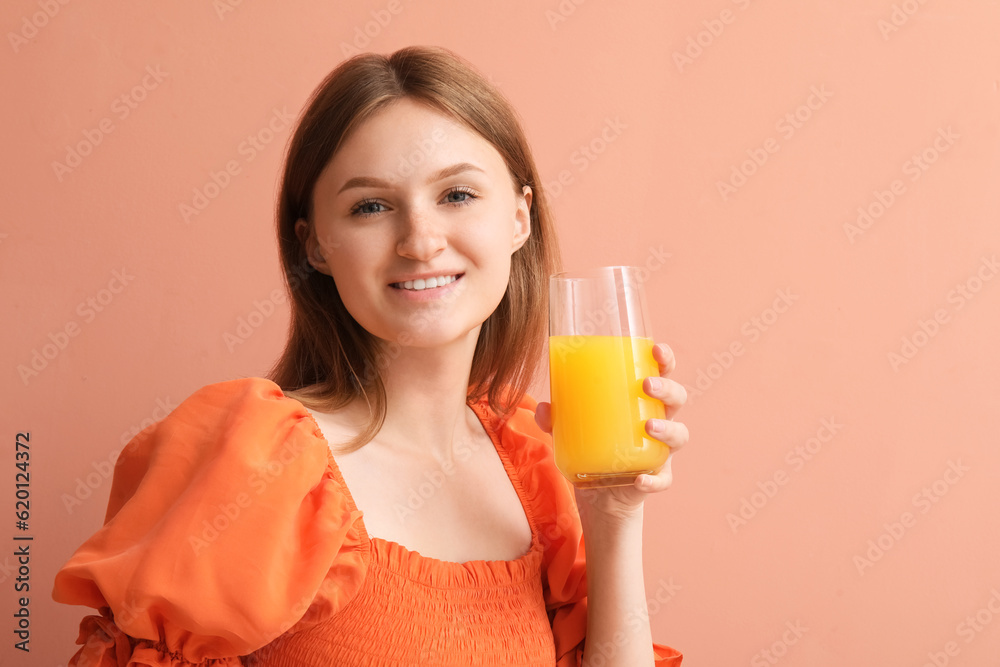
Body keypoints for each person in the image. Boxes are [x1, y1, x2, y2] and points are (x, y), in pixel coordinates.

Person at [52, 45, 689, 666]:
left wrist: (613, 519)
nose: (420, 241)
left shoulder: (539, 464)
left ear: (519, 218)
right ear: (315, 246)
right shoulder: (257, 456)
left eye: (458, 195)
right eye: (371, 207)